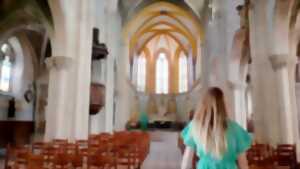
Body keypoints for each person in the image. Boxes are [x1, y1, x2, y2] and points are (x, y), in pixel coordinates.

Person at [181, 87, 252, 169]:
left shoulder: (195, 127)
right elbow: (243, 164)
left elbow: (186, 162)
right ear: (223, 105)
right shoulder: (235, 129)